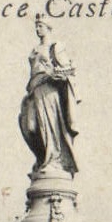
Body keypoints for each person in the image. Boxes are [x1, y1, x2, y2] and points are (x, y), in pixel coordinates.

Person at [18, 15, 78, 178]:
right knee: (30, 127)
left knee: (50, 126)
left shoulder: (55, 47)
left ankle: (53, 160)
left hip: (49, 90)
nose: (37, 29)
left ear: (48, 27)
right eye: (36, 26)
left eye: (40, 26)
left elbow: (68, 69)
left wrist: (57, 75)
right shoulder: (35, 49)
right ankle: (44, 158)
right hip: (34, 90)